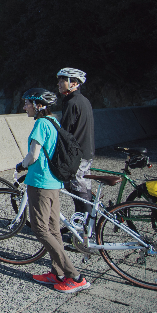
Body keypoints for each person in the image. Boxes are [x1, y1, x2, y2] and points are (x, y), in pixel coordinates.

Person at [15, 88, 90, 294]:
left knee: (40, 229)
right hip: (54, 182)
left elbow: (34, 154)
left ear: (38, 105)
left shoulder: (40, 124)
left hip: (40, 183)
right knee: (53, 229)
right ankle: (57, 273)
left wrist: (21, 165)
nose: (24, 107)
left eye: (27, 103)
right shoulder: (54, 121)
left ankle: (74, 276)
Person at [57, 68, 95, 218]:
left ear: (73, 83)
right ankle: (85, 224)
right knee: (83, 188)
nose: (59, 83)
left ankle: (88, 229)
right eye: (59, 80)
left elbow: (65, 132)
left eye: (63, 80)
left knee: (78, 191)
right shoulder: (83, 100)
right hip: (86, 151)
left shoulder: (72, 103)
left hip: (77, 154)